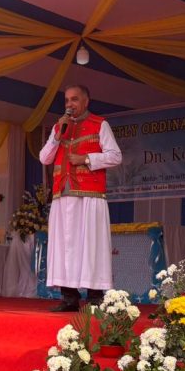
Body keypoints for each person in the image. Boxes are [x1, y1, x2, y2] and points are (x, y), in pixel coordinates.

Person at [38, 84, 123, 312]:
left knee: (91, 245)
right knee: (65, 246)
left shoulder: (100, 124)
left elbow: (115, 156)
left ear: (86, 101)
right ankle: (69, 297)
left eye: (74, 99)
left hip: (89, 195)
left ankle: (95, 297)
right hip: (62, 196)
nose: (69, 104)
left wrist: (86, 158)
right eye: (67, 100)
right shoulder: (59, 127)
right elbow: (44, 158)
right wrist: (57, 136)